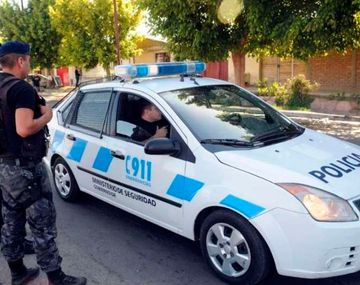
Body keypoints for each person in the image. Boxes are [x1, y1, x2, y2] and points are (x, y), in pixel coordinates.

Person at [0, 41, 86, 285]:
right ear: (20, 61)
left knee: (11, 220)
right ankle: (56, 278)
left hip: (4, 167)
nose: (29, 63)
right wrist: (47, 116)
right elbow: (24, 128)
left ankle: (18, 272)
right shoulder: (21, 90)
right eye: (28, 59)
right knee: (42, 224)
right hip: (25, 168)